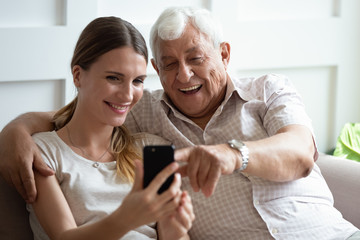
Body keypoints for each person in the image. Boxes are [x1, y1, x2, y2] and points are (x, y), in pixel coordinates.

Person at [0, 6, 359, 240]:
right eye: (169, 64)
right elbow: (76, 116)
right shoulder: (143, 118)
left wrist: (232, 155)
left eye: (195, 58)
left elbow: (299, 153)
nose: (183, 74)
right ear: (158, 69)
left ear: (224, 54)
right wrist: (14, 131)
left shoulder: (268, 90)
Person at [6, 16, 194, 240]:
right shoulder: (45, 153)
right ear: (78, 76)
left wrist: (176, 232)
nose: (127, 95)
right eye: (114, 78)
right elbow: (64, 237)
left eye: (137, 81)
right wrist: (128, 217)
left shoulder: (151, 150)